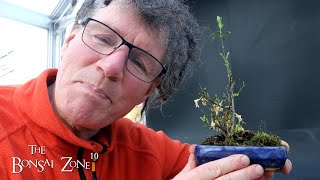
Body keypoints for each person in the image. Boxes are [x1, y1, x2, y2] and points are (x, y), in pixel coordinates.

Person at [0, 0, 292, 179]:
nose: (111, 67)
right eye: (102, 38)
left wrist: (261, 154)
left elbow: (213, 162)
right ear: (69, 40)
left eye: (139, 63)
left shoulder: (146, 150)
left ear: (149, 92)